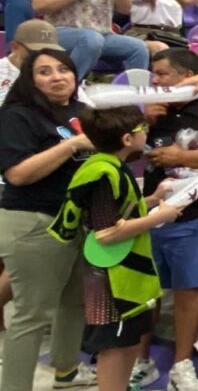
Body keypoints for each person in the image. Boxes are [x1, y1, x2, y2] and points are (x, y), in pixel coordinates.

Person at [48, 105, 184, 391]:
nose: (147, 132)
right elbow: (107, 233)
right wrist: (159, 217)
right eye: (142, 128)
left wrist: (153, 199)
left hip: (123, 274)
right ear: (126, 139)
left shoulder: (112, 166)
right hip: (110, 279)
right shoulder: (102, 173)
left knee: (127, 342)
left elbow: (120, 211)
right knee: (114, 346)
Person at [0, 49, 95, 391]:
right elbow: (18, 174)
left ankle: (66, 372)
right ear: (30, 79)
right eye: (44, 71)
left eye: (63, 69)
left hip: (78, 221)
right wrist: (72, 146)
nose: (57, 77)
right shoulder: (17, 115)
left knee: (74, 302)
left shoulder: (82, 112)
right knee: (31, 316)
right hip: (34, 222)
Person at [137, 49, 198, 391]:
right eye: (154, 74)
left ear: (187, 77)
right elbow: (120, 150)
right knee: (146, 292)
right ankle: (141, 360)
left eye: (163, 74)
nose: (156, 81)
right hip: (150, 216)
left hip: (192, 216)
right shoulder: (152, 111)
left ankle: (181, 365)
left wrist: (183, 157)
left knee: (188, 292)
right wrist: (142, 122)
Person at [0, 20, 63, 105]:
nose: (41, 56)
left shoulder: (60, 74)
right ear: (15, 47)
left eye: (49, 52)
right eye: (34, 51)